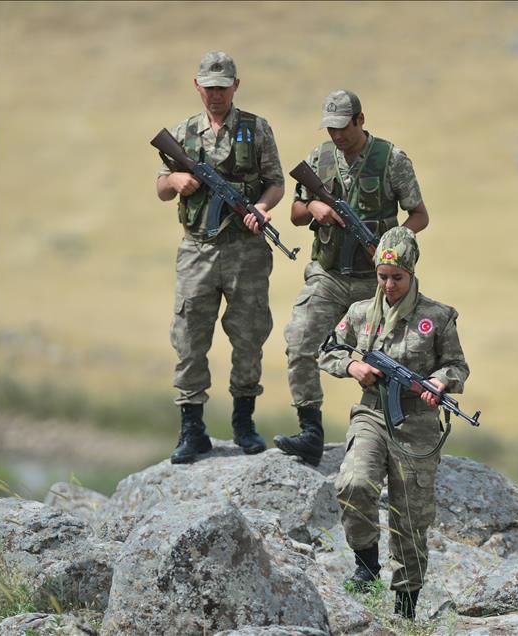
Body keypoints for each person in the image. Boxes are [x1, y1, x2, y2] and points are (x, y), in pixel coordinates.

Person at [318, 227, 469, 619]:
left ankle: (406, 608)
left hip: (416, 422)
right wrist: (353, 366)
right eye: (383, 277)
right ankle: (366, 564)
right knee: (353, 482)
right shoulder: (359, 313)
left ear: (412, 273)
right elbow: (328, 350)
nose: (388, 285)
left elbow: (457, 366)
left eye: (396, 278)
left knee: (410, 517)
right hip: (371, 412)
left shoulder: (437, 317)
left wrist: (440, 382)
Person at [275, 89, 430, 467]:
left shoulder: (391, 160)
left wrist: (391, 247)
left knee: (394, 361)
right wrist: (314, 207)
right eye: (330, 128)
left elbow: (419, 215)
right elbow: (295, 211)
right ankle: (310, 430)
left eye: (343, 128)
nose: (337, 136)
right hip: (328, 274)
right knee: (300, 340)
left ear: (361, 120)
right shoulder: (320, 158)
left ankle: (394, 438)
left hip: (376, 282)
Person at [155, 51, 285, 464]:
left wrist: (261, 209)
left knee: (249, 336)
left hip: (246, 251)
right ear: (197, 87)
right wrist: (176, 179)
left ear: (235, 86)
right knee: (190, 336)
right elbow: (161, 187)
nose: (215, 94)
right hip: (197, 250)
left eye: (222, 87)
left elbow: (276, 183)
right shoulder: (183, 132)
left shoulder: (256, 129)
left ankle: (243, 423)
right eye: (208, 87)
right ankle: (192, 429)